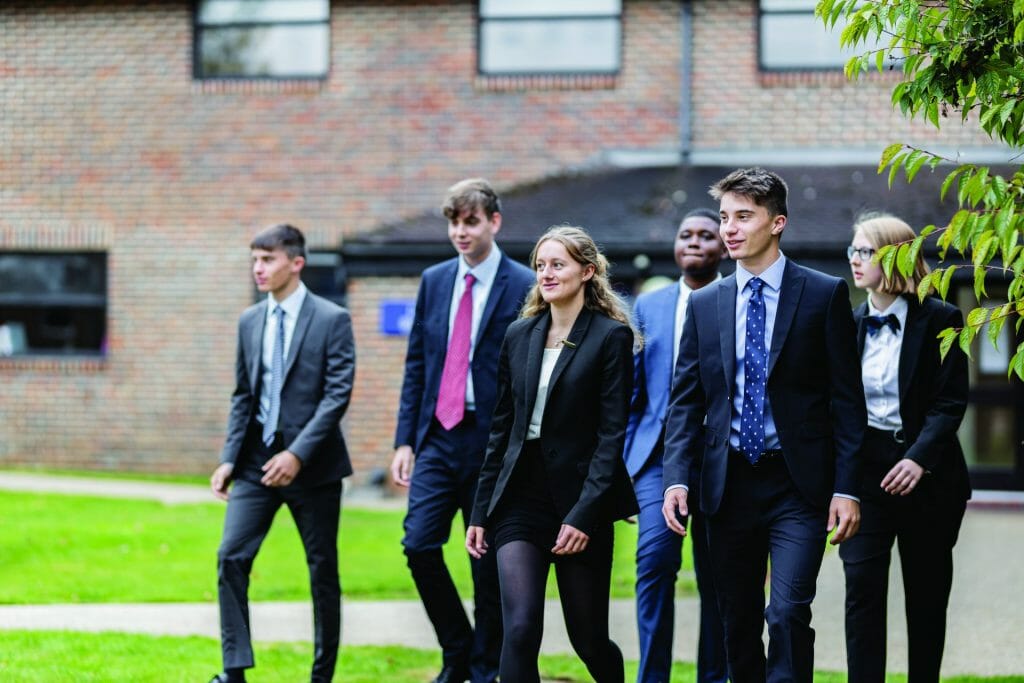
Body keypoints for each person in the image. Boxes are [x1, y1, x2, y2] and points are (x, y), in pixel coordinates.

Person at [661, 168, 866, 683]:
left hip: (798, 486)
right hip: (726, 486)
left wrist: (847, 489)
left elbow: (847, 403)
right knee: (739, 620)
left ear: (777, 223)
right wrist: (677, 478)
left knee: (789, 611)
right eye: (725, 217)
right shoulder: (706, 303)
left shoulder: (823, 295)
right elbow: (686, 401)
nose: (729, 229)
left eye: (743, 217)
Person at [466, 226, 639, 683]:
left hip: (580, 500)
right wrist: (480, 511)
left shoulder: (610, 338)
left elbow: (610, 436)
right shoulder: (519, 335)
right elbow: (501, 429)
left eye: (557, 264)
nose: (546, 273)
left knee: (588, 639)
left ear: (586, 271)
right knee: (519, 628)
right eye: (540, 265)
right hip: (520, 497)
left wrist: (584, 515)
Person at [391, 178, 534, 683]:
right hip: (437, 436)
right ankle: (457, 649)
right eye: (453, 222)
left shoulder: (523, 285)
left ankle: (482, 667)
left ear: (493, 222)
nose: (460, 231)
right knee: (419, 545)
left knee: (485, 562)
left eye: (470, 221)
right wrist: (405, 439)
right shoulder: (434, 281)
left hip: (491, 442)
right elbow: (417, 365)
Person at [209, 224, 356, 683]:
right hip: (255, 465)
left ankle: (321, 676)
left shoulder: (332, 319)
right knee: (230, 557)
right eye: (254, 259)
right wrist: (230, 457)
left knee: (322, 573)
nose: (258, 268)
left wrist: (296, 455)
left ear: (296, 263)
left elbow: (337, 395)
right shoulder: (249, 321)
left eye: (267, 259)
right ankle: (234, 673)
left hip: (313, 469)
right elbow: (242, 395)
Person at [842, 213, 971, 683]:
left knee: (927, 596)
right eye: (852, 251)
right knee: (862, 593)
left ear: (897, 256)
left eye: (865, 251)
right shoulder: (848, 325)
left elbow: (951, 401)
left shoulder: (942, 318)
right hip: (866, 480)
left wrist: (919, 457)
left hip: (930, 478)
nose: (855, 260)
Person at [624, 208, 729, 683]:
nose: (693, 242)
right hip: (655, 461)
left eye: (706, 236)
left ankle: (713, 676)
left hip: (718, 458)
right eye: (685, 234)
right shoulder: (648, 306)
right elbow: (633, 393)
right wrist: (624, 467)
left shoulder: (737, 300)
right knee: (654, 561)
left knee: (718, 579)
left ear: (724, 246)